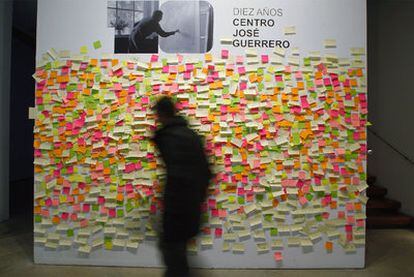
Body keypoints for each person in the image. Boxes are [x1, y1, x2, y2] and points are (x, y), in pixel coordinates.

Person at [152, 96, 212, 277]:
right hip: (192, 204)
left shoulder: (168, 137)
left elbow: (178, 172)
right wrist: (199, 198)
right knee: (178, 252)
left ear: (162, 114)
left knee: (172, 252)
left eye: (157, 115)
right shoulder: (192, 135)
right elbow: (207, 172)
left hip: (177, 206)